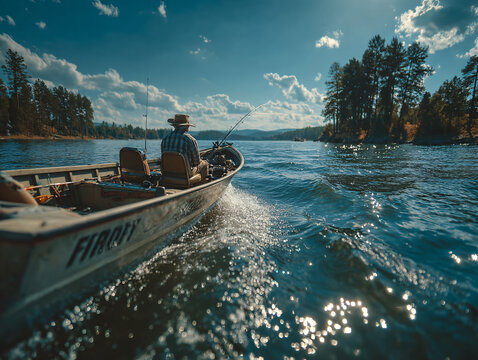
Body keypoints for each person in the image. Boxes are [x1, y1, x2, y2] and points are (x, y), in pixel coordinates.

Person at [161, 114, 209, 179]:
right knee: (205, 164)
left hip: (168, 174)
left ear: (174, 125)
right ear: (186, 127)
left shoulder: (165, 138)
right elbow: (196, 162)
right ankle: (200, 187)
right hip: (185, 174)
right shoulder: (190, 139)